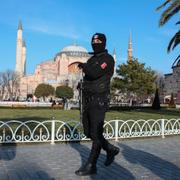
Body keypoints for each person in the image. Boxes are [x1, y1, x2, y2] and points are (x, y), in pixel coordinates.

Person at [75, 33, 119, 176]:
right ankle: (110, 149)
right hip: (88, 100)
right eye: (93, 40)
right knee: (89, 132)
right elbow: (89, 78)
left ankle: (91, 165)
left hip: (99, 100)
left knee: (96, 133)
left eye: (98, 40)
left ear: (104, 42)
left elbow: (94, 73)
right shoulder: (92, 59)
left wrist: (84, 66)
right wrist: (81, 85)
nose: (95, 42)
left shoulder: (108, 59)